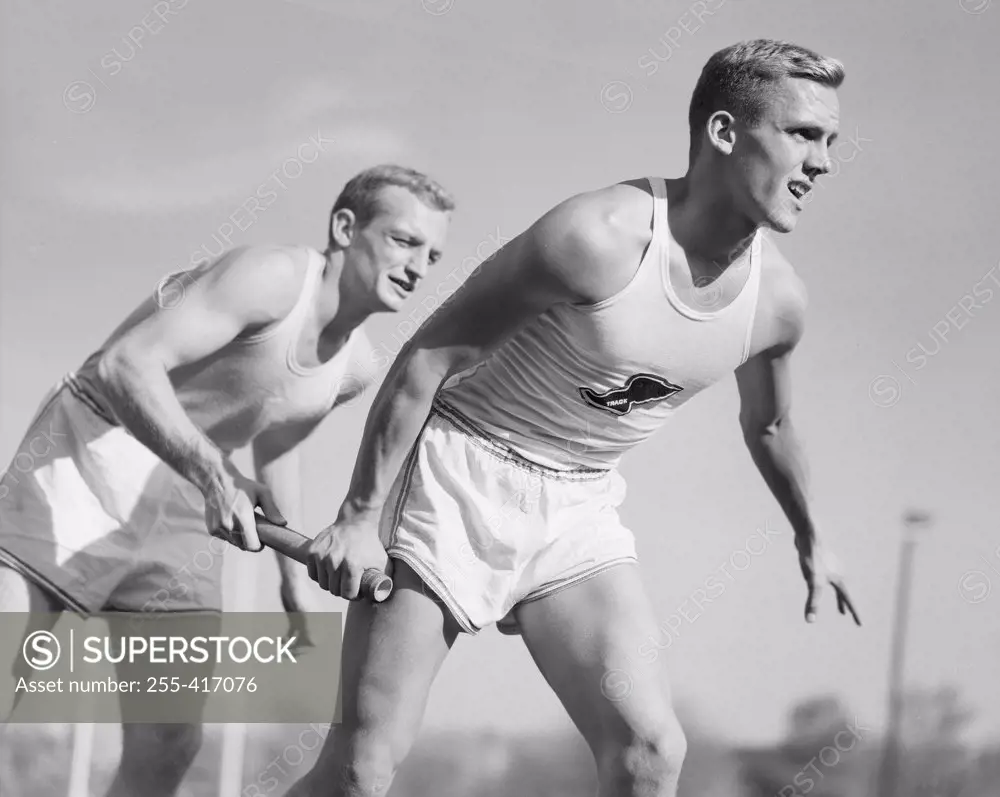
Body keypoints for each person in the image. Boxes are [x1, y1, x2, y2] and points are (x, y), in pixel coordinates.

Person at [293, 39, 862, 797]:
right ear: (724, 133)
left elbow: (767, 425)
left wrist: (812, 534)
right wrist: (360, 517)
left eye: (830, 141)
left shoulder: (777, 304)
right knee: (358, 774)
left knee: (650, 748)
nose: (822, 162)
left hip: (579, 501)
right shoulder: (595, 236)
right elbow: (428, 358)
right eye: (801, 134)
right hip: (459, 470)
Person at [0, 164, 454, 797]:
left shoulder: (354, 367)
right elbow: (125, 365)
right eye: (405, 241)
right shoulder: (270, 277)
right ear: (346, 227)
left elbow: (276, 440)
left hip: (185, 504)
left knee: (171, 740)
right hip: (88, 455)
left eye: (433, 255)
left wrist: (293, 579)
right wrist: (214, 475)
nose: (418, 267)